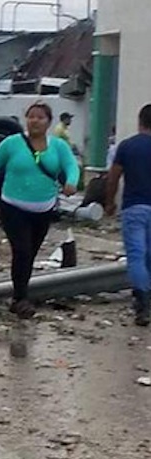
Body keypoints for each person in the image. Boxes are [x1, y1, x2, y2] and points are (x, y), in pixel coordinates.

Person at [0, 101, 79, 318]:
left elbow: (71, 166)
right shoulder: (12, 144)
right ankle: (20, 299)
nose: (35, 121)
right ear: (25, 120)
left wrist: (72, 182)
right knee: (21, 250)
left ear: (48, 122)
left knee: (29, 253)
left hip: (43, 209)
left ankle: (21, 293)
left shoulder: (58, 146)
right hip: (13, 207)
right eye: (31, 116)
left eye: (40, 117)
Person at [106, 104, 151, 325]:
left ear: (139, 121)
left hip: (134, 208)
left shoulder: (127, 146)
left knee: (136, 255)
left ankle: (142, 304)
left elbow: (113, 177)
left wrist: (109, 204)